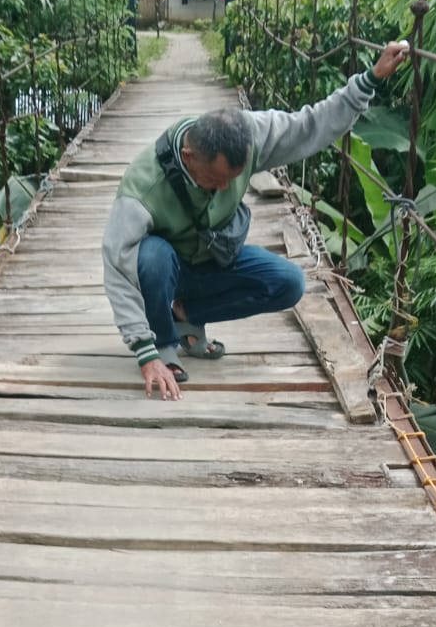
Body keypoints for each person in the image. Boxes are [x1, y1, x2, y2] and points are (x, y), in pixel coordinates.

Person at [102, 39, 410, 400]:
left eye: (232, 179)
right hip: (166, 270)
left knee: (289, 283)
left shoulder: (249, 133)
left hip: (213, 259)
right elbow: (117, 267)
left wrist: (370, 80)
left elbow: (308, 125)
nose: (224, 189)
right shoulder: (143, 188)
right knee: (152, 256)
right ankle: (164, 343)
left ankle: (187, 314)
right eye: (214, 180)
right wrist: (144, 351)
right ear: (188, 156)